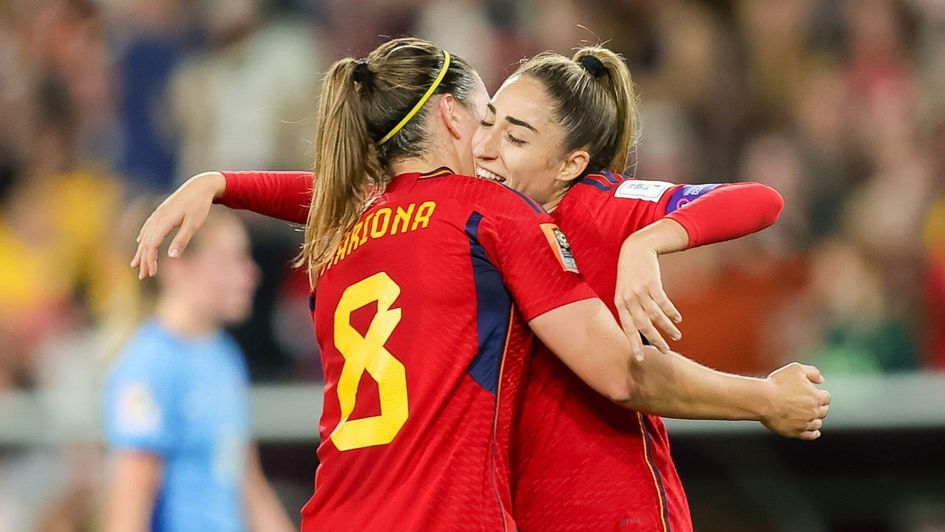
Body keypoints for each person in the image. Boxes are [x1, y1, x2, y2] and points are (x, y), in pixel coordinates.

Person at [133, 41, 830, 530]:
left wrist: (652, 239)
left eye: (515, 133)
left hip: (591, 510)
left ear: (572, 161)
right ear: (452, 120)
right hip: (469, 514)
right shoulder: (488, 212)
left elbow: (759, 199)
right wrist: (761, 398)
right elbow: (621, 374)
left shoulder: (358, 224)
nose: (492, 148)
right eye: (488, 122)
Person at [103, 207, 294, 532]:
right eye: (230, 260)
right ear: (178, 266)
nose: (250, 273)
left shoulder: (223, 354)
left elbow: (247, 482)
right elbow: (129, 505)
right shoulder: (149, 366)